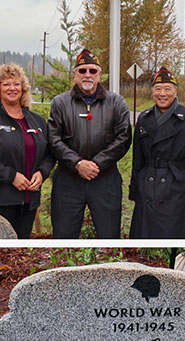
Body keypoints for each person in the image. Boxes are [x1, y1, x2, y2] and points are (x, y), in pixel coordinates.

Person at [48, 49, 131, 239]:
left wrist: (97, 164)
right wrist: (78, 163)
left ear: (99, 74)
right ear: (75, 73)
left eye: (92, 71)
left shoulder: (117, 103)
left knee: (109, 236)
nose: (87, 75)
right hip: (68, 180)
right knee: (63, 236)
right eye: (82, 70)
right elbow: (53, 139)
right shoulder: (60, 103)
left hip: (105, 180)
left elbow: (124, 138)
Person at [0, 63, 54, 239]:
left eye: (16, 84)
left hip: (29, 200)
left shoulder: (37, 121)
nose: (12, 88)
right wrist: (11, 176)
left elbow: (49, 153)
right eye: (6, 84)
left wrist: (42, 172)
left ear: (23, 88)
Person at [129, 67, 185, 239]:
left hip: (177, 189)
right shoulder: (144, 118)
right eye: (158, 89)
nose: (162, 94)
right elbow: (137, 160)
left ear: (175, 91)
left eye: (167, 89)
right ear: (152, 92)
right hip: (148, 187)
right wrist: (135, 190)